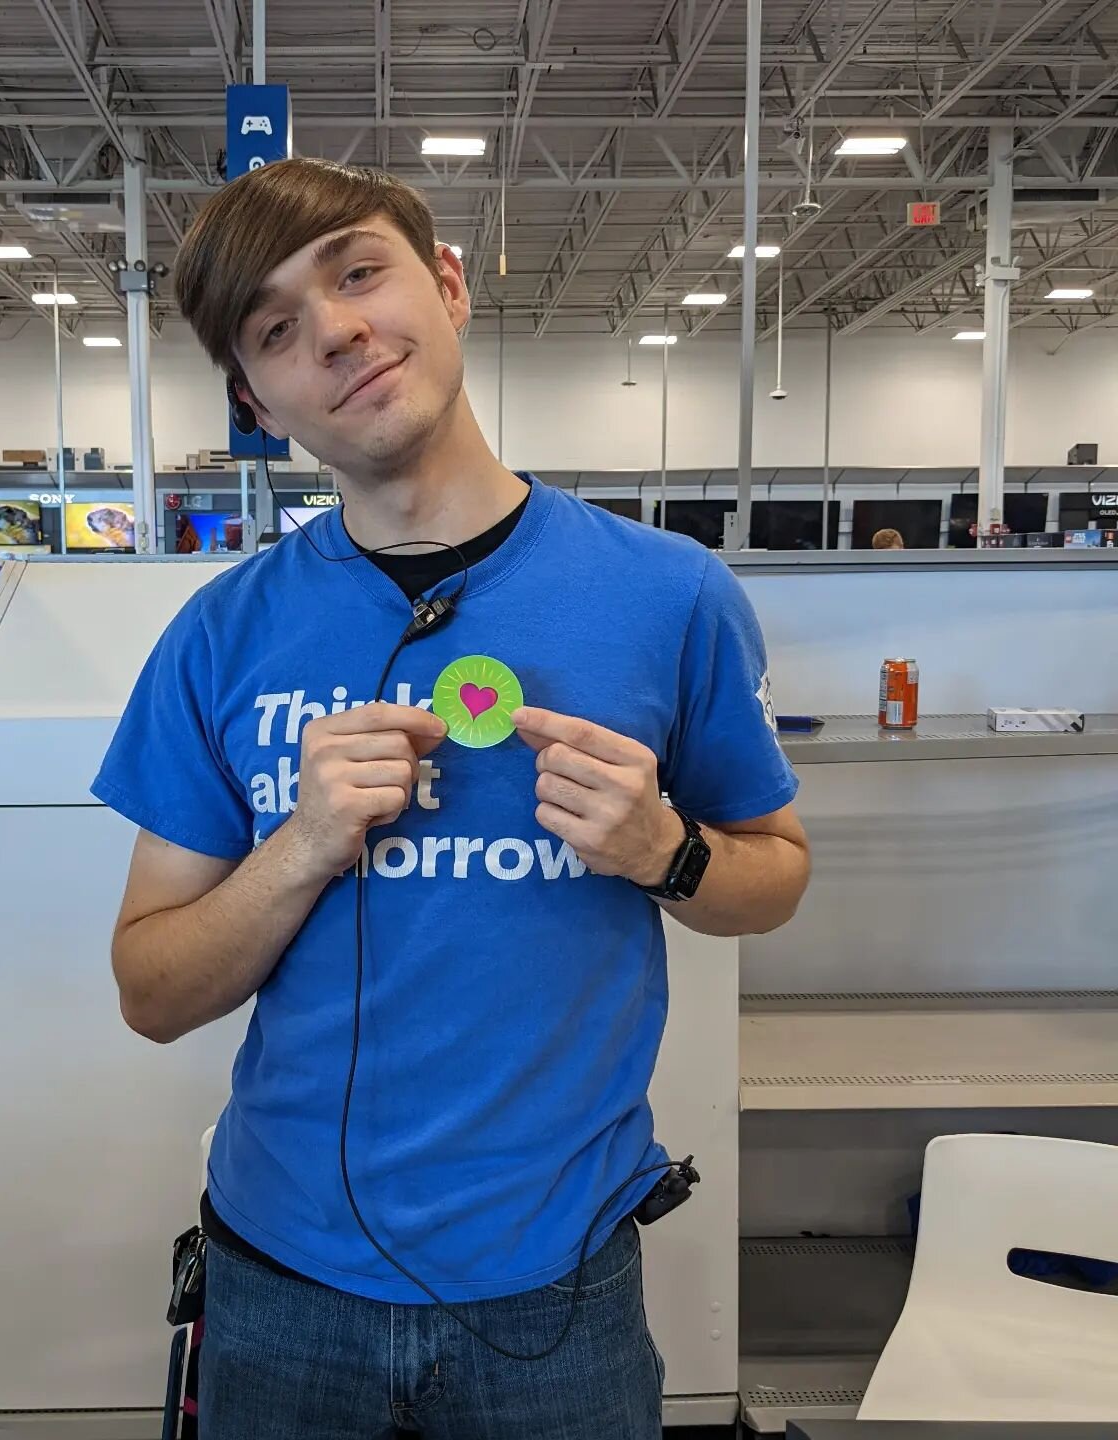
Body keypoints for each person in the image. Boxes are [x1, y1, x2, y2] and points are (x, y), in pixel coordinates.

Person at [93, 158, 811, 1440]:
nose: (339, 330)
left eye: (359, 272)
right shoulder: (219, 636)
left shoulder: (669, 595)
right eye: (276, 330)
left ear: (448, 282)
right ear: (258, 401)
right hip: (282, 1284)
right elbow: (151, 994)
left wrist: (663, 849)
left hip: (558, 1291)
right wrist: (304, 845)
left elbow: (777, 874)